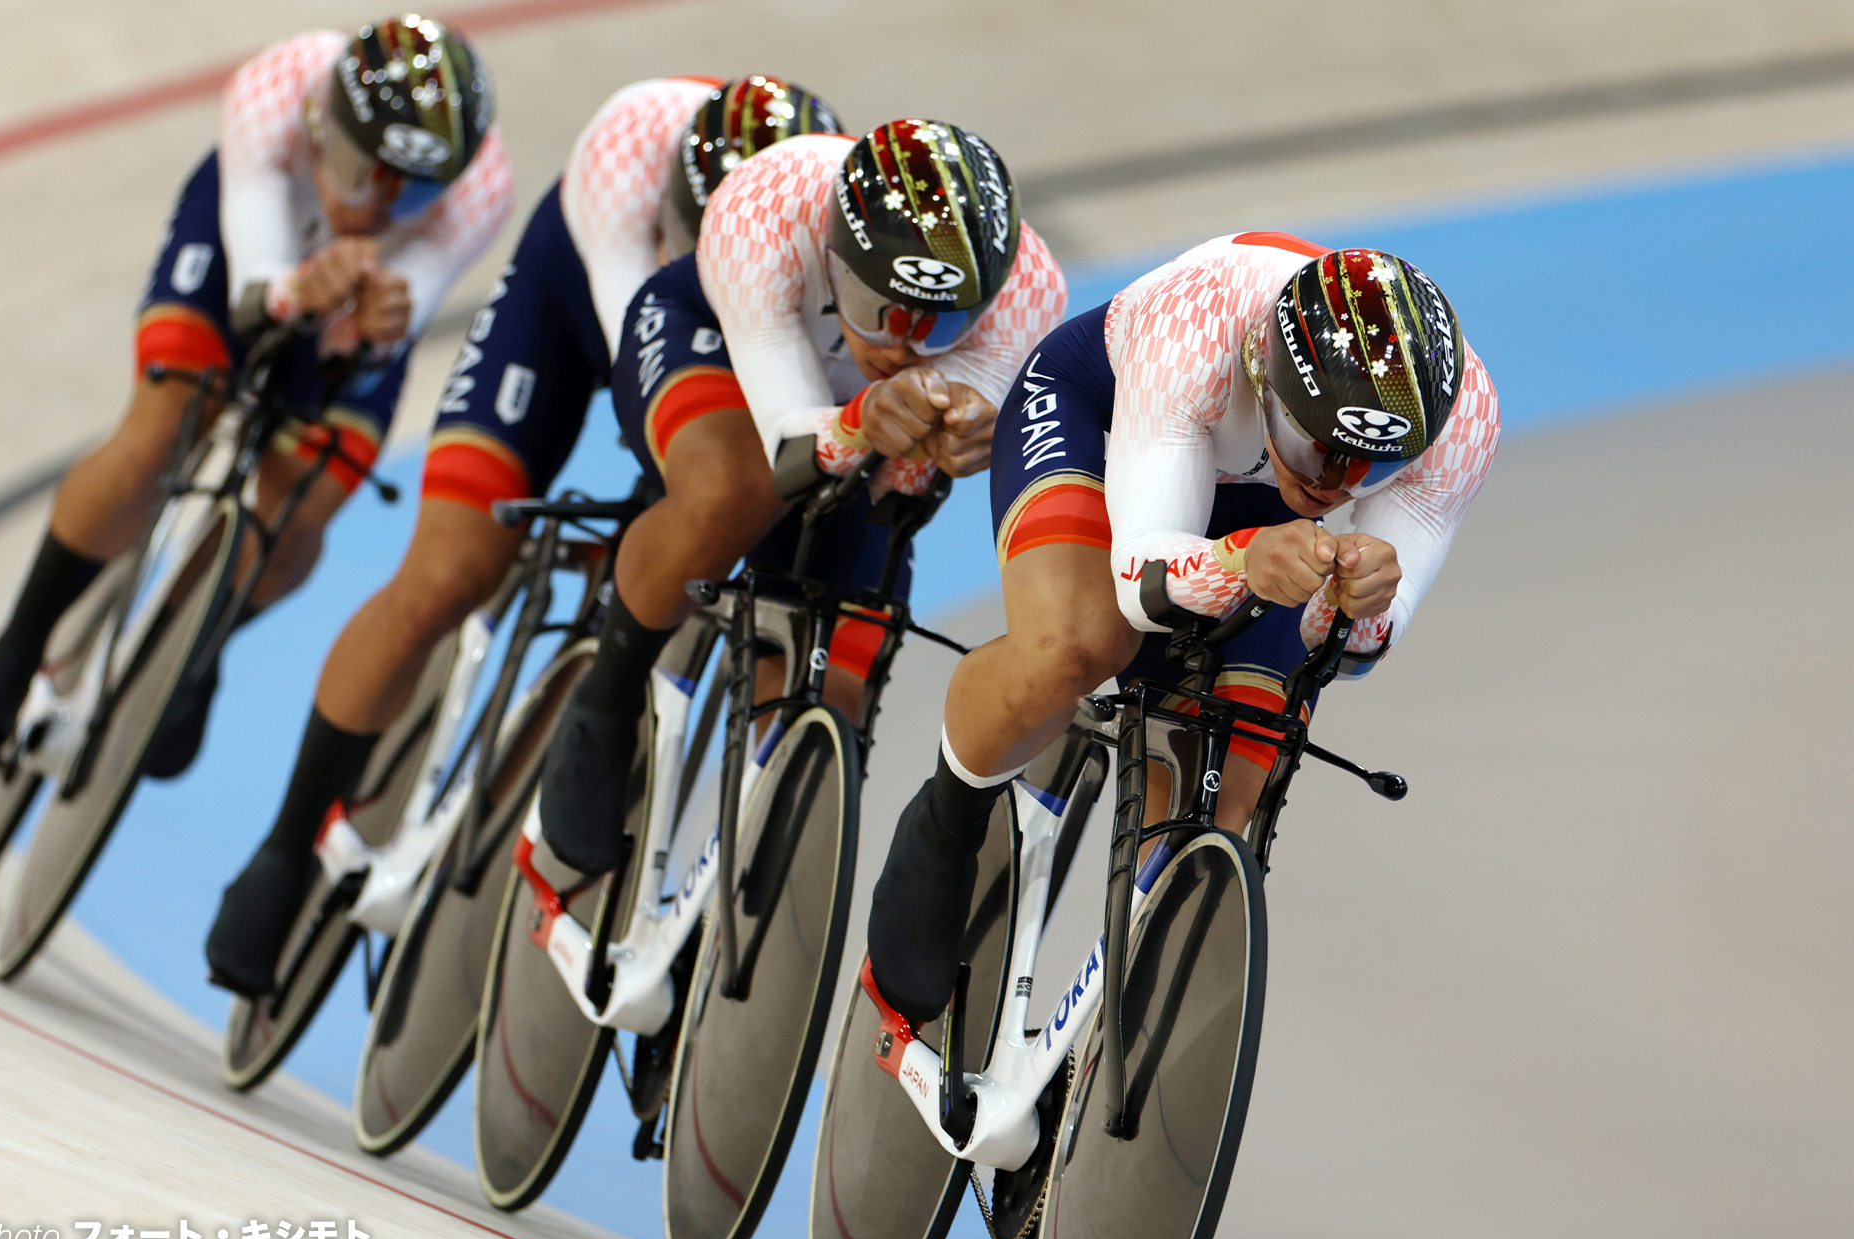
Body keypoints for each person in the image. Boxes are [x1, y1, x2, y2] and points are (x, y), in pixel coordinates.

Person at [204, 75, 841, 997]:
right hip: (583, 302)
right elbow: (647, 367)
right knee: (450, 570)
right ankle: (282, 846)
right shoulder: (628, 155)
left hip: (745, 338)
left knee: (699, 551)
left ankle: (546, 767)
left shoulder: (822, 227)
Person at [861, 233, 1503, 1030]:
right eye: (1314, 442)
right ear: (1267, 376)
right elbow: (1139, 585)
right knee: (1079, 644)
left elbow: (1356, 652)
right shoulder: (1199, 319)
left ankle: (1104, 1056)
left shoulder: (1463, 417)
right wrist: (1241, 560)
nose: (1328, 481)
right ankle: (947, 823)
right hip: (1102, 420)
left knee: (1240, 787)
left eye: (1366, 469)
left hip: (1254, 521)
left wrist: (1358, 602)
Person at [0, 16, 511, 783]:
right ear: (322, 123)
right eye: (354, 166)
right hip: (251, 237)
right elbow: (255, 281)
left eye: (411, 195)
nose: (373, 204)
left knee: (304, 505)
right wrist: (289, 291)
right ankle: (14, 648)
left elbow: (402, 311)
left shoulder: (483, 188)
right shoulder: (275, 90)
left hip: (351, 294)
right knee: (166, 421)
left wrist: (373, 326)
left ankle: (196, 642)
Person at [533, 118, 1070, 879]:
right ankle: (606, 698)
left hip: (859, 418)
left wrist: (965, 434)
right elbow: (790, 439)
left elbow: (923, 458)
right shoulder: (769, 204)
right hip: (717, 346)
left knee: (846, 672)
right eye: (877, 304)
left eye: (941, 321)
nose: (902, 344)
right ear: (834, 253)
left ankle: (748, 885)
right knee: (735, 488)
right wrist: (865, 420)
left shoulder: (1030, 290)